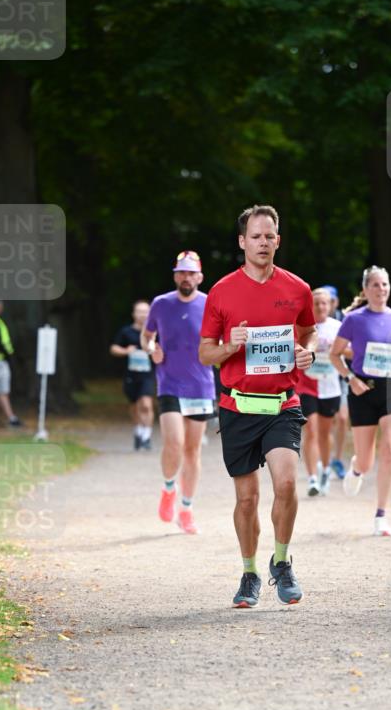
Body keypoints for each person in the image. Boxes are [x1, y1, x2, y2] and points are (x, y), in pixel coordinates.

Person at [199, 204, 316, 608]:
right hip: (238, 407)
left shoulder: (297, 289)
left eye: (269, 236)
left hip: (282, 404)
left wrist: (309, 353)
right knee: (246, 499)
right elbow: (204, 354)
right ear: (242, 242)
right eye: (255, 237)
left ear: (278, 241)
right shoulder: (221, 291)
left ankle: (281, 563)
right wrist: (231, 344)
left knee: (286, 482)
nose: (262, 243)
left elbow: (310, 333)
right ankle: (249, 572)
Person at [330, 266, 391, 536]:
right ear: (366, 289)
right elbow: (335, 355)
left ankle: (381, 514)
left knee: (390, 447)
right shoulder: (355, 320)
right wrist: (350, 379)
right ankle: (358, 468)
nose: (381, 290)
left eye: (385, 285)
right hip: (362, 388)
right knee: (367, 460)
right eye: (376, 285)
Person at [141, 250, 215, 535]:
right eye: (181, 272)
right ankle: (169, 488)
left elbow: (219, 339)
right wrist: (151, 349)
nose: (186, 277)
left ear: (199, 276)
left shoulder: (210, 304)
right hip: (170, 382)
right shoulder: (160, 304)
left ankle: (186, 508)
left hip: (201, 385)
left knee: (193, 450)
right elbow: (147, 336)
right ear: (175, 275)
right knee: (174, 443)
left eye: (190, 272)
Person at [296, 288, 342, 496]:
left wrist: (336, 349)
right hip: (307, 385)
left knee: (325, 433)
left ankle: (325, 468)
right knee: (311, 430)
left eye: (325, 303)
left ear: (330, 305)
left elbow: (350, 353)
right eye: (317, 303)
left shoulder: (337, 327)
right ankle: (312, 478)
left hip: (331, 386)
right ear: (310, 305)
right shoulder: (303, 327)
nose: (321, 307)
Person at [110, 300, 155, 450]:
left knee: (146, 405)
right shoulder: (126, 332)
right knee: (135, 406)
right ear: (134, 314)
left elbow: (165, 351)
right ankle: (138, 431)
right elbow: (114, 348)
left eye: (146, 311)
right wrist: (126, 351)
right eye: (140, 311)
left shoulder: (154, 333)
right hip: (130, 376)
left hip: (148, 375)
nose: (143, 315)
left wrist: (154, 351)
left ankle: (146, 436)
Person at [322, 283, 349, 480]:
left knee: (341, 419)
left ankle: (337, 459)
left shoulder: (344, 321)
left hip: (341, 377)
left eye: (330, 301)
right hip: (320, 379)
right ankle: (322, 458)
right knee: (324, 423)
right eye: (323, 301)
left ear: (336, 302)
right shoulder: (312, 320)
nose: (327, 305)